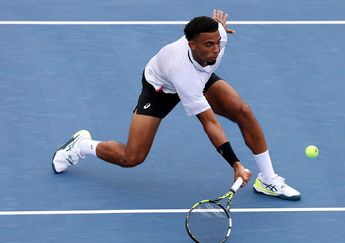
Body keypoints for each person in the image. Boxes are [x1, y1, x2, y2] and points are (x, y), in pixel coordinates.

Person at [52, 10, 301, 200]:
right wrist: (235, 164)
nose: (216, 50)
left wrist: (218, 32)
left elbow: (214, 39)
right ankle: (81, 146)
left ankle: (267, 179)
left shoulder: (217, 39)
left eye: (217, 42)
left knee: (242, 111)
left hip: (199, 77)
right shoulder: (183, 73)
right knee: (132, 157)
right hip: (160, 88)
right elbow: (209, 124)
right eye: (208, 44)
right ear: (191, 44)